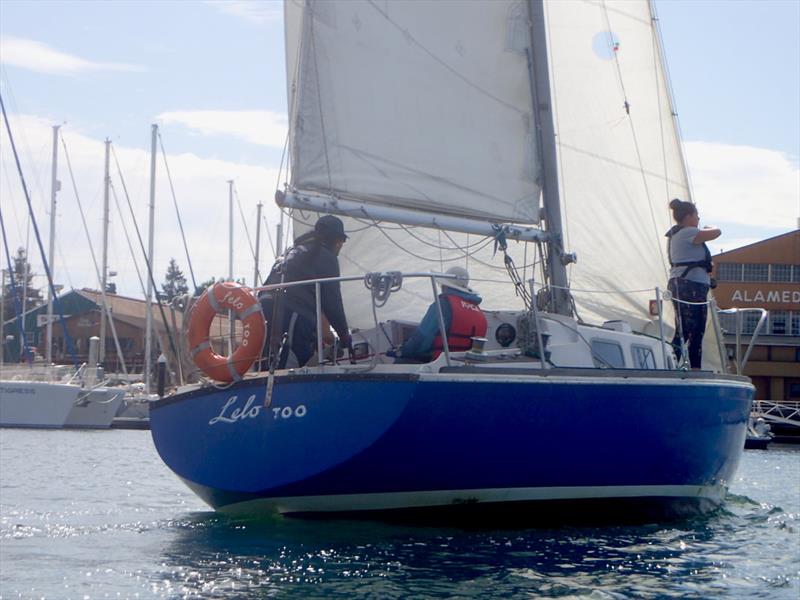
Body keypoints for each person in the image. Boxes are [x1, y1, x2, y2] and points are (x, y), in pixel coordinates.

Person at [259, 215, 351, 369]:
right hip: (292, 313)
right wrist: (344, 335)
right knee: (290, 362)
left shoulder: (291, 252)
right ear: (337, 240)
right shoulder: (326, 256)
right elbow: (333, 302)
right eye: (342, 241)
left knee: (267, 360)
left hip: (265, 309)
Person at [388, 266, 488, 363]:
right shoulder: (479, 312)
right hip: (465, 364)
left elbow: (421, 340)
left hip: (441, 363)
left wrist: (402, 351)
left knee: (399, 363)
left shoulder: (443, 305)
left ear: (445, 286)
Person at [665, 198, 721, 369]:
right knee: (691, 331)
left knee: (687, 330)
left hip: (686, 285)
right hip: (689, 286)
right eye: (696, 215)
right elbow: (717, 232)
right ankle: (679, 365)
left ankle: (675, 364)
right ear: (688, 216)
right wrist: (707, 227)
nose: (698, 219)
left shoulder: (679, 234)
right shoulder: (688, 232)